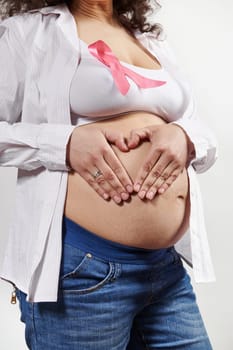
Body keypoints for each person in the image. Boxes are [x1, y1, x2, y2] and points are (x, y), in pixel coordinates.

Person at [0, 0, 218, 349]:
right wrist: (64, 143)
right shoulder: (28, 34)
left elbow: (198, 126)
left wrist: (186, 137)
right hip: (80, 272)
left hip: (165, 269)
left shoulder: (148, 41)